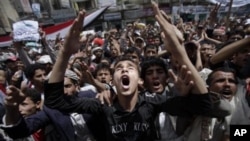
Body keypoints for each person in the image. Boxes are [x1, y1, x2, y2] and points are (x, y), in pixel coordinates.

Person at [44, 3, 214, 140]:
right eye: (119, 69)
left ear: (139, 80)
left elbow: (204, 105)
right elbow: (54, 101)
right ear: (114, 79)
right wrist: (65, 53)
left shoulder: (151, 102)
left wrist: (178, 50)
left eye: (130, 68)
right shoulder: (102, 105)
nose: (124, 69)